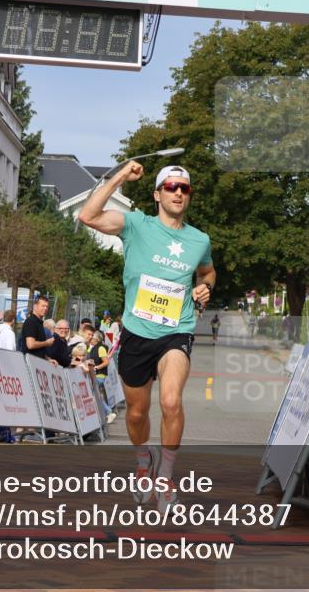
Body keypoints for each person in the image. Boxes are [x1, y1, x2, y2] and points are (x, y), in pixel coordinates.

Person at [79, 160, 215, 510]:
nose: (179, 193)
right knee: (137, 415)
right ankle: (144, 461)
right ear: (157, 194)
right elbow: (88, 216)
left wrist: (205, 288)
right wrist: (121, 176)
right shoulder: (136, 224)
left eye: (184, 188)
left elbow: (208, 272)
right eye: (171, 187)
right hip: (137, 331)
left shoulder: (199, 239)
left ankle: (167, 478)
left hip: (177, 331)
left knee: (171, 401)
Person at [87, 329, 117, 424]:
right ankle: (106, 413)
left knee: (95, 394)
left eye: (92, 337)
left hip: (99, 375)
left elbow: (106, 362)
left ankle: (108, 412)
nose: (90, 338)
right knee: (96, 395)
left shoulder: (100, 348)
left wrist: (96, 367)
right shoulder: (92, 348)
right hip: (94, 374)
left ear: (95, 339)